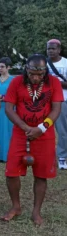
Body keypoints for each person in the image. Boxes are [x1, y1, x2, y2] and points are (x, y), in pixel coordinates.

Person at [1, 54, 63, 226]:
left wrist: (41, 128)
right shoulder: (16, 82)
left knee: (41, 174)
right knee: (11, 172)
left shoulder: (54, 82)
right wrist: (25, 127)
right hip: (21, 133)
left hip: (45, 135)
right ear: (26, 70)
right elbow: (8, 108)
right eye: (32, 74)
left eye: (40, 74)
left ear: (45, 72)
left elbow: (56, 109)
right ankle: (16, 207)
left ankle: (36, 212)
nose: (36, 78)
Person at [46, 39, 67, 170]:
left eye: (53, 48)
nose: (51, 51)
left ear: (59, 49)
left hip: (62, 101)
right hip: (45, 101)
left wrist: (55, 83)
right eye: (48, 49)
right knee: (44, 129)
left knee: (62, 131)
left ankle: (62, 157)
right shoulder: (43, 64)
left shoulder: (65, 63)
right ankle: (47, 156)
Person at [0, 57, 14, 162]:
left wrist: (5, 97)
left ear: (8, 67)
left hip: (9, 110)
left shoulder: (14, 80)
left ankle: (8, 154)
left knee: (8, 131)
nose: (0, 68)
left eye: (2, 66)